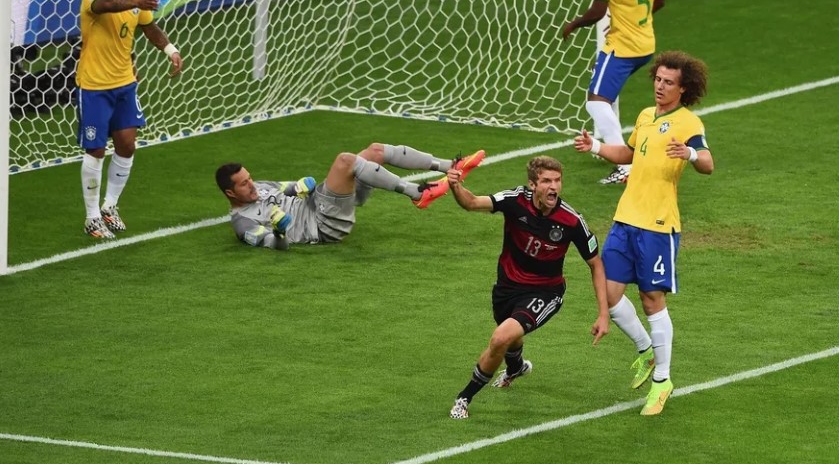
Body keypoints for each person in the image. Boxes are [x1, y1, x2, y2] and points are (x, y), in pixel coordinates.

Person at [574, 50, 714, 416]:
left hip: (657, 226)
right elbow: (628, 153)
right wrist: (595, 147)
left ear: (683, 89)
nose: (660, 86)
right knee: (608, 291)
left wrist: (689, 155)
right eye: (657, 79)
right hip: (625, 219)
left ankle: (662, 380)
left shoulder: (689, 123)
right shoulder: (646, 116)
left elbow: (709, 164)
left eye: (669, 82)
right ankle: (645, 349)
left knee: (652, 299)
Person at [446, 155, 609, 420]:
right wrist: (456, 186)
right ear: (533, 184)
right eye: (546, 181)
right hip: (507, 288)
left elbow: (596, 265)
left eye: (557, 180)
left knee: (501, 337)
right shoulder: (514, 201)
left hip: (546, 293)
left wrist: (604, 314)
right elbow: (472, 202)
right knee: (510, 334)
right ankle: (516, 368)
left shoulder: (571, 221)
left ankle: (464, 398)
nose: (553, 187)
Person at [76, 0, 184, 238]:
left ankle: (110, 207)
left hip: (125, 84)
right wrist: (134, 3)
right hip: (94, 87)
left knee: (126, 145)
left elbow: (148, 26)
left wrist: (171, 50)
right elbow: (105, 6)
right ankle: (91, 216)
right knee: (96, 149)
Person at [562, 0, 665, 185]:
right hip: (645, 45)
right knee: (607, 94)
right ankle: (610, 147)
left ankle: (624, 166)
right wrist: (633, 20)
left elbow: (597, 11)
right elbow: (659, 0)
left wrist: (574, 24)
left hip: (623, 47)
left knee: (596, 103)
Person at [215, 145, 485, 249]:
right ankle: (417, 193)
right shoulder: (243, 224)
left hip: (319, 201)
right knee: (346, 160)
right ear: (230, 193)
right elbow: (277, 245)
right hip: (322, 225)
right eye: (244, 184)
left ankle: (450, 165)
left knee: (374, 151)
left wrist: (300, 186)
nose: (252, 185)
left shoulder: (259, 186)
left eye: (250, 178)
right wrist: (281, 230)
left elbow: (287, 188)